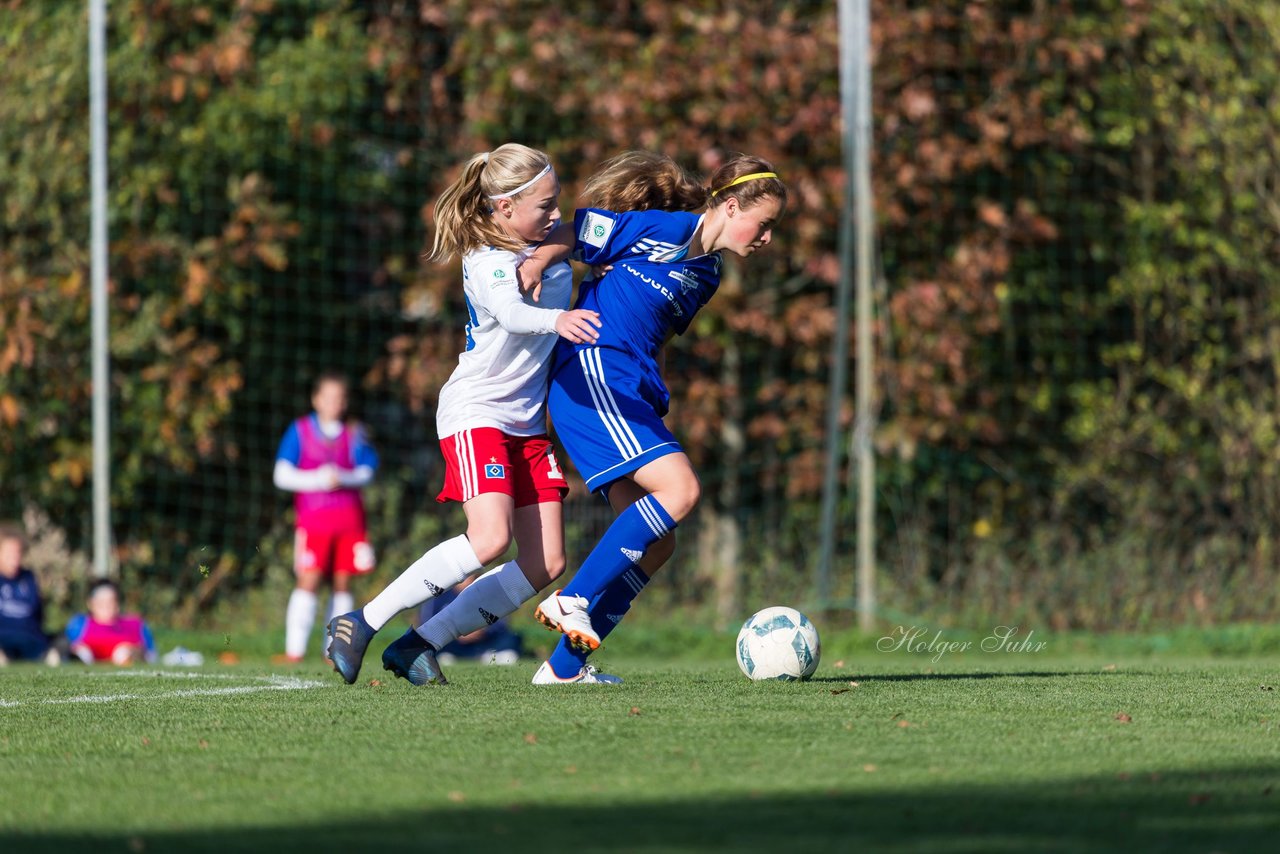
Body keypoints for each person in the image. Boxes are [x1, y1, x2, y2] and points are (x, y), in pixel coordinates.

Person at [325, 142, 603, 686]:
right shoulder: (486, 258)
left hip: (525, 423)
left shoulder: (541, 237)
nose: (554, 215)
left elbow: (578, 230)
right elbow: (512, 312)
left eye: (556, 202)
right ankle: (360, 621)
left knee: (545, 565)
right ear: (503, 209)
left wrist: (550, 249)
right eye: (543, 206)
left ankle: (419, 645)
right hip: (477, 412)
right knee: (489, 538)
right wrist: (558, 321)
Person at [527, 152, 787, 684]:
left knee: (660, 541)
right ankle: (571, 598)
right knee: (682, 490)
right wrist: (532, 265)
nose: (766, 239)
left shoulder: (707, 274)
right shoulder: (662, 228)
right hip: (593, 372)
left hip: (629, 391)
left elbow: (660, 332)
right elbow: (576, 230)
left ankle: (563, 668)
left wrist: (655, 394)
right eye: (764, 225)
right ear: (732, 205)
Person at [273, 372, 379, 662]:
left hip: (350, 522)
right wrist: (317, 480)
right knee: (308, 580)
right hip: (313, 522)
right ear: (315, 399)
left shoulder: (355, 433)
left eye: (339, 398)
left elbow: (368, 471)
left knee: (343, 584)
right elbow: (281, 475)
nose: (334, 403)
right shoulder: (300, 430)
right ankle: (293, 651)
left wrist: (343, 477)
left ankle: (334, 652)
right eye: (328, 397)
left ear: (345, 402)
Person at [415, 577, 524, 666]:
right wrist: (456, 634)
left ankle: (489, 656)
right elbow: (427, 623)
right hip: (451, 643)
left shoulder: (487, 591)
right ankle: (446, 656)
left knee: (511, 638)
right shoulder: (439, 595)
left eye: (470, 574)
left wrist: (483, 630)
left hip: (482, 642)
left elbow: (501, 623)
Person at [0, 528, 58, 666]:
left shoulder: (29, 578)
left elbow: (38, 613)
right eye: (9, 552)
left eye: (18, 552)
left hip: (30, 639)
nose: (15, 557)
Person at [66, 578, 157, 665]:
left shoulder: (135, 624)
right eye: (101, 602)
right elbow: (64, 649)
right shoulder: (80, 624)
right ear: (90, 603)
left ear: (117, 603)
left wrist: (136, 652)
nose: (106, 605)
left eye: (110, 601)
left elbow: (151, 654)